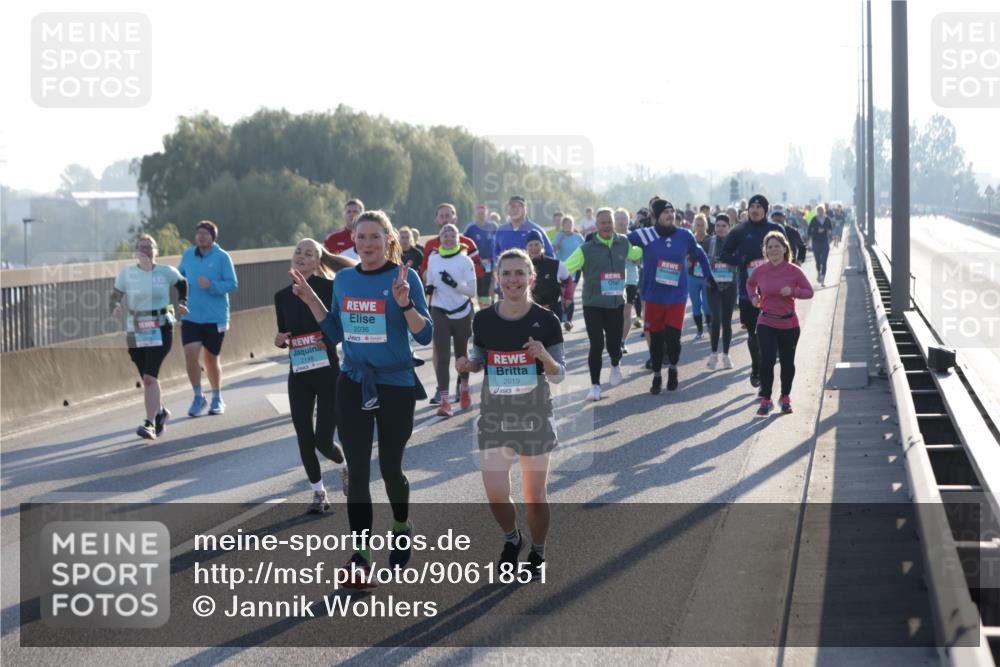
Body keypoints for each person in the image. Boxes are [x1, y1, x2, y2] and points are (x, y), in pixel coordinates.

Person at [292, 210, 432, 585]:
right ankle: (360, 556)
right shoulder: (345, 279)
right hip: (353, 381)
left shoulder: (405, 277)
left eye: (374, 237)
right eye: (360, 237)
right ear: (352, 241)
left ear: (389, 240)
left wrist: (405, 304)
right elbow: (336, 332)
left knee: (390, 469)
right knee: (357, 472)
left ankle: (401, 524)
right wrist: (311, 301)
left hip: (395, 383)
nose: (366, 244)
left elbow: (425, 336)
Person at [455, 248, 566, 577]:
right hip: (495, 416)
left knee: (534, 495)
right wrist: (468, 364)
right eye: (507, 273)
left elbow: (559, 374)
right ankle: (512, 538)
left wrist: (544, 356)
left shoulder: (547, 321)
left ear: (531, 278)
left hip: (533, 415)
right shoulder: (484, 319)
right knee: (496, 493)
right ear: (497, 279)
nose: (513, 279)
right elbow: (479, 359)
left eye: (520, 273)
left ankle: (538, 549)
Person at [274, 240, 351, 512]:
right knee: (304, 437)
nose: (301, 257)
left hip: (328, 372)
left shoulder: (329, 289)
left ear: (318, 262)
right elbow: (284, 334)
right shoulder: (282, 296)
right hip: (300, 373)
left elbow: (337, 329)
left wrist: (326, 340)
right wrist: (280, 339)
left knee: (323, 440)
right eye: (298, 252)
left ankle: (343, 467)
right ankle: (318, 494)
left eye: (308, 254)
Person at [628, 197, 715, 394]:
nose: (669, 215)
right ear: (656, 217)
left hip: (677, 296)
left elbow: (700, 254)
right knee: (656, 340)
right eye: (665, 212)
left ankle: (673, 369)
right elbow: (622, 242)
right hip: (653, 296)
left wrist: (710, 277)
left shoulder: (684, 235)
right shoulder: (646, 234)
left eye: (671, 212)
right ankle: (657, 374)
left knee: (673, 338)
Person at [110, 235, 188, 440]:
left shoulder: (166, 272)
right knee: (147, 379)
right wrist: (115, 306)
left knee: (149, 378)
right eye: (141, 247)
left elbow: (182, 283)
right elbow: (115, 294)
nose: (145, 250)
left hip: (161, 327)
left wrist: (182, 301)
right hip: (136, 329)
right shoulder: (127, 274)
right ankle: (160, 412)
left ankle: (149, 423)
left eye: (149, 247)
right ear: (136, 251)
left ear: (156, 251)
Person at [563, 208, 642, 400]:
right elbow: (566, 268)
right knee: (596, 344)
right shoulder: (587, 249)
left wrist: (643, 249)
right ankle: (595, 386)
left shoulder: (623, 242)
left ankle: (615, 363)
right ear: (596, 226)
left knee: (614, 345)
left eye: (609, 222)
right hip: (593, 304)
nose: (606, 226)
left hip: (615, 304)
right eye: (603, 223)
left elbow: (635, 253)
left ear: (614, 224)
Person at [718, 194, 784, 389]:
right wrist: (740, 260)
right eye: (752, 206)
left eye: (759, 206)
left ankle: (766, 370)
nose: (755, 209)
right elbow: (724, 254)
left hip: (775, 291)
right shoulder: (739, 230)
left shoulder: (775, 229)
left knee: (772, 334)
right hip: (749, 292)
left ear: (765, 209)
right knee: (754, 334)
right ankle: (757, 368)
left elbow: (788, 253)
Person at [747, 232, 814, 416]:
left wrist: (793, 291)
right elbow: (750, 284)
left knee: (787, 362)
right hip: (766, 321)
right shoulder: (760, 270)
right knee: (767, 360)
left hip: (789, 324)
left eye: (777, 246)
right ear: (765, 251)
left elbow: (809, 292)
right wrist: (754, 297)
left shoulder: (794, 271)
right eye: (770, 247)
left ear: (785, 249)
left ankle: (785, 397)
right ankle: (766, 399)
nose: (774, 250)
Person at [178, 221, 238, 416]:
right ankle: (198, 396)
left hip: (215, 317)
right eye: (199, 233)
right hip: (191, 315)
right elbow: (180, 277)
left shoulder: (222, 257)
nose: (201, 237)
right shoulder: (188, 255)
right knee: (190, 353)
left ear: (213, 237)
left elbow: (232, 284)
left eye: (205, 233)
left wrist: (211, 285)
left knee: (211, 359)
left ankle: (217, 398)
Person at [425, 223, 476, 416]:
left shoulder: (465, 261)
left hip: (462, 311)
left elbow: (472, 291)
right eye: (444, 234)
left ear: (458, 238)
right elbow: (430, 281)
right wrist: (429, 288)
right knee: (443, 357)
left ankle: (464, 387)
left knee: (461, 355)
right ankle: (445, 402)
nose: (448, 236)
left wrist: (454, 284)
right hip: (439, 310)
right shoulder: (434, 259)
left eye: (452, 233)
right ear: (440, 238)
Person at [705, 213, 737, 369]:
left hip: (730, 285)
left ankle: (726, 354)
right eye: (718, 225)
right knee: (715, 320)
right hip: (713, 286)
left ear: (729, 227)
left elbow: (740, 260)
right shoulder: (708, 242)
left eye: (724, 225)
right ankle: (713, 354)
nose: (720, 228)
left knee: (727, 321)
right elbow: (700, 259)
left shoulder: (735, 242)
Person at [525, 230, 572, 324]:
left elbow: (568, 280)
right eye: (530, 245)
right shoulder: (522, 266)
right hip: (531, 312)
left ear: (542, 246)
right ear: (526, 248)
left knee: (554, 338)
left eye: (536, 244)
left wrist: (567, 297)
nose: (534, 248)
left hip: (553, 312)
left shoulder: (555, 264)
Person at [493, 195, 556, 260]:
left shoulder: (536, 230)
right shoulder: (501, 230)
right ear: (508, 210)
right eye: (513, 206)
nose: (515, 210)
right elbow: (496, 254)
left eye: (519, 206)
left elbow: (550, 256)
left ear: (525, 209)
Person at [614, 208, 641, 354]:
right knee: (613, 312)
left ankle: (622, 342)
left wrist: (628, 254)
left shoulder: (634, 237)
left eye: (623, 218)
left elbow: (637, 261)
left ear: (628, 219)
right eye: (618, 218)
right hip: (612, 278)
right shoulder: (609, 236)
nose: (621, 221)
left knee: (627, 311)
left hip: (630, 278)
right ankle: (614, 339)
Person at [551, 216, 584, 331]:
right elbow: (553, 249)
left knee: (570, 294)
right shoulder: (559, 235)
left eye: (570, 223)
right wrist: (560, 240)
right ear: (562, 225)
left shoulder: (578, 237)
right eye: (566, 223)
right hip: (562, 269)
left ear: (573, 224)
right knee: (563, 295)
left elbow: (586, 250)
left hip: (575, 270)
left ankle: (568, 320)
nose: (568, 225)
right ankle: (563, 317)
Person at [463, 204, 499, 308]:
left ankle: (490, 305)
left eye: (482, 213)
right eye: (479, 213)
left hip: (489, 261)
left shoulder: (493, 226)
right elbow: (464, 244)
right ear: (475, 214)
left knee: (489, 283)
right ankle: (482, 307)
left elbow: (498, 242)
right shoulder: (470, 228)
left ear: (487, 213)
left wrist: (497, 260)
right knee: (479, 285)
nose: (481, 215)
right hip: (476, 262)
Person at [687, 214, 713, 339]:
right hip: (692, 277)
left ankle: (709, 325)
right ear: (694, 225)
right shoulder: (690, 239)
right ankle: (699, 330)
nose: (700, 227)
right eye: (697, 225)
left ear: (706, 225)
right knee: (696, 304)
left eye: (702, 225)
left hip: (706, 277)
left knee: (707, 305)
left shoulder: (711, 240)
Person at [807, 204, 834, 285]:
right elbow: (809, 231)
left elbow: (830, 228)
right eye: (819, 211)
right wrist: (815, 233)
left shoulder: (827, 219)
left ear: (824, 211)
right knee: (818, 261)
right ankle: (819, 272)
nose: (820, 212)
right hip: (816, 242)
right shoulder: (814, 220)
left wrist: (828, 232)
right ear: (817, 212)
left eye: (822, 210)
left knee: (824, 261)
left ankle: (823, 279)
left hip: (824, 242)